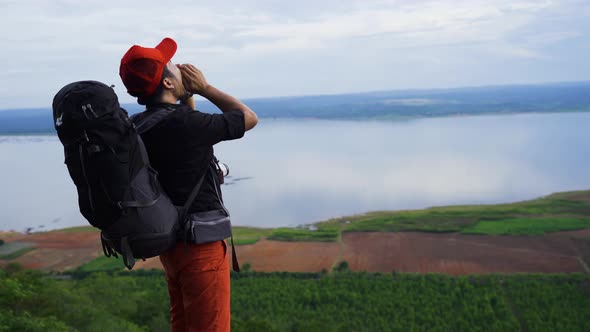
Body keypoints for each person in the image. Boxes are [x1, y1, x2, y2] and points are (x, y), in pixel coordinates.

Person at [119, 37, 258, 332]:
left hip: (170, 244)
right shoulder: (187, 126)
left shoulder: (136, 125)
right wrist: (204, 88)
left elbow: (183, 126)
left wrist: (186, 96)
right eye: (174, 67)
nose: (181, 69)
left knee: (182, 323)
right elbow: (248, 118)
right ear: (168, 83)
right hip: (202, 248)